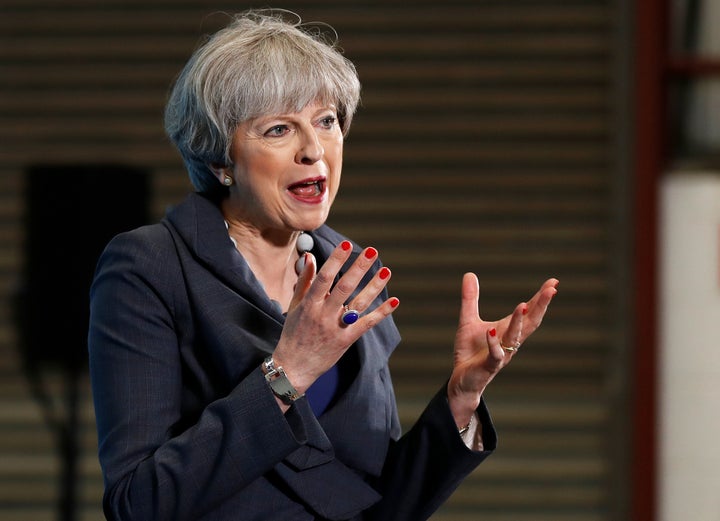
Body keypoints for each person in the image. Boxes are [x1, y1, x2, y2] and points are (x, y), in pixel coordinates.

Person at [88, 8, 559, 521]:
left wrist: (462, 397)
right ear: (220, 160)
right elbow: (138, 503)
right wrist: (289, 372)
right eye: (277, 129)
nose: (314, 150)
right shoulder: (151, 267)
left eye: (327, 121)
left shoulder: (352, 276)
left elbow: (382, 506)